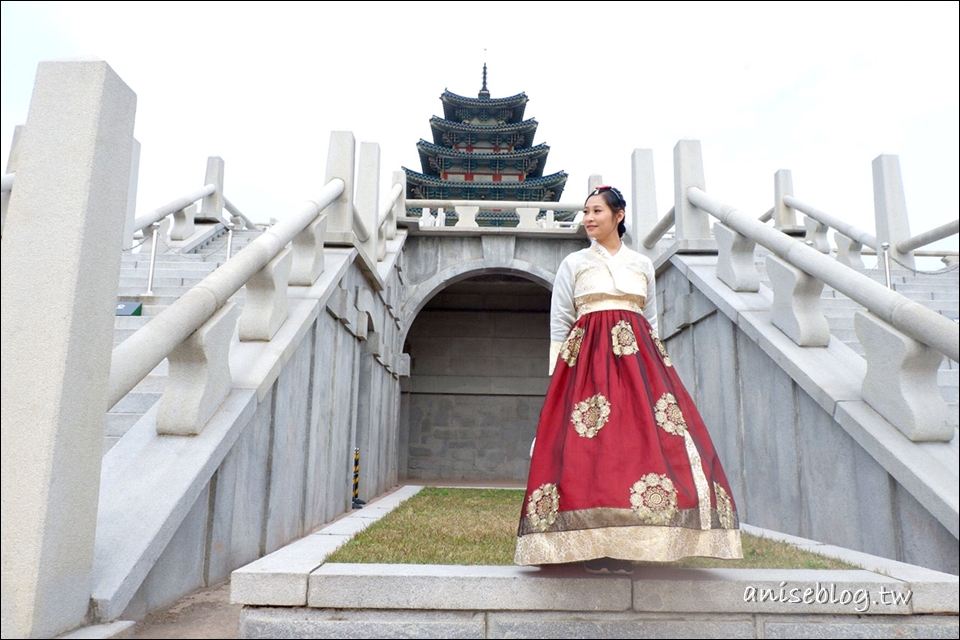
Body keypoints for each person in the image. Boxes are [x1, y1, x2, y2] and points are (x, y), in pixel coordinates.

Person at [514, 185, 743, 574]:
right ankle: (585, 544)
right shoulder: (574, 264)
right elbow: (560, 324)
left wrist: (657, 369)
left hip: (640, 368)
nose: (588, 218)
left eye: (597, 211)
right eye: (585, 212)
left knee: (639, 447)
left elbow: (650, 321)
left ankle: (633, 542)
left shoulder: (641, 265)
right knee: (590, 449)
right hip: (586, 368)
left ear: (618, 216)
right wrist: (560, 379)